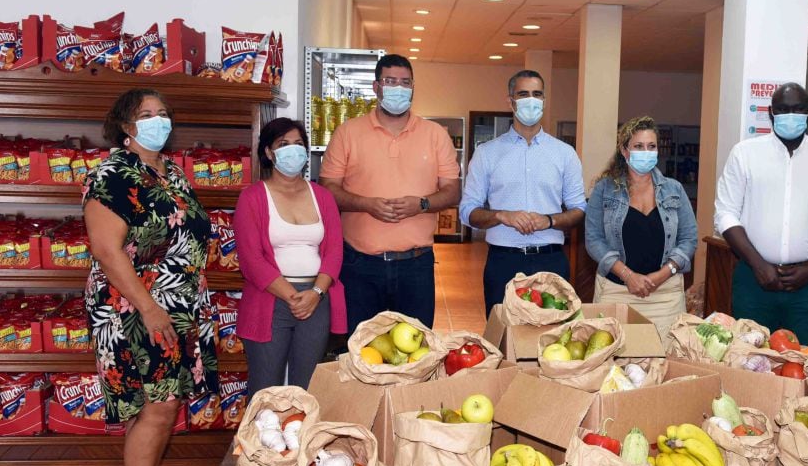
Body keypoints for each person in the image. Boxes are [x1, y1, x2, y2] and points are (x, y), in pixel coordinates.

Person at [83, 88, 216, 466]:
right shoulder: (114, 173)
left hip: (176, 307)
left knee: (161, 409)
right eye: (146, 115)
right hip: (135, 308)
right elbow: (105, 249)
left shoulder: (169, 171)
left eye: (163, 114)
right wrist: (148, 306)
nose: (158, 121)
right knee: (156, 411)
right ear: (125, 125)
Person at [318, 54, 460, 330]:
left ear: (413, 88)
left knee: (416, 351)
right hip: (360, 266)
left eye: (405, 82)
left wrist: (421, 204)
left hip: (416, 266)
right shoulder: (348, 132)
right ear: (376, 86)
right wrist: (365, 204)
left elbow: (453, 192)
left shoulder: (435, 134)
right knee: (360, 349)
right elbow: (327, 190)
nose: (398, 88)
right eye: (390, 81)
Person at [714, 82, 808, 346]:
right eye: (782, 109)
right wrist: (758, 265)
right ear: (771, 113)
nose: (790, 115)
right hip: (753, 280)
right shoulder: (745, 154)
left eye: (797, 109)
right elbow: (725, 214)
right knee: (749, 363)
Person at [459, 70, 586, 317]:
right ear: (510, 101)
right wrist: (502, 216)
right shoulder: (487, 153)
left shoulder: (564, 153)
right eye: (523, 94)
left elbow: (579, 209)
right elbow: (467, 212)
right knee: (505, 338)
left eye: (537, 94)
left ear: (544, 101)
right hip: (503, 262)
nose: (531, 100)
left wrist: (549, 220)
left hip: (551, 262)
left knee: (554, 338)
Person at [234, 119, 347, 394]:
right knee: (265, 388)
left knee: (308, 388)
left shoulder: (322, 196)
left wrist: (316, 293)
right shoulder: (252, 197)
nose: (293, 151)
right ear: (269, 153)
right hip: (270, 301)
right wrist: (292, 296)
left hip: (316, 299)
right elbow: (251, 260)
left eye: (298, 144)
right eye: (283, 145)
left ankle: (302, 437)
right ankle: (258, 438)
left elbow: (334, 250)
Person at [584, 116, 698, 338]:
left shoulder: (674, 189)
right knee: (612, 364)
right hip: (616, 292)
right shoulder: (604, 190)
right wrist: (628, 275)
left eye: (651, 146)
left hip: (666, 296)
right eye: (638, 146)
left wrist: (662, 275)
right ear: (624, 151)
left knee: (667, 363)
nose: (646, 152)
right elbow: (594, 239)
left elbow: (689, 239)